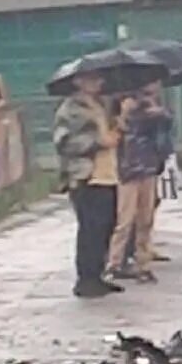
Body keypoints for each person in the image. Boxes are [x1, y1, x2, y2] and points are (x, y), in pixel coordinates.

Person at [53, 72, 123, 298]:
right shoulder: (70, 109)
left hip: (109, 172)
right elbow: (64, 143)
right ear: (78, 82)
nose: (99, 82)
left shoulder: (104, 104)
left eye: (99, 78)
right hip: (85, 175)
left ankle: (98, 274)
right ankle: (86, 278)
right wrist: (96, 143)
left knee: (107, 225)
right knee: (90, 228)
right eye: (93, 79)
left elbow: (112, 132)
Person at [107, 82, 171, 284]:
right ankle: (114, 262)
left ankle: (142, 262)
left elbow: (165, 120)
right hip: (127, 170)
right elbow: (117, 131)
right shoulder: (118, 105)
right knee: (124, 219)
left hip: (148, 167)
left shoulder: (148, 106)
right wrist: (125, 113)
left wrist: (152, 105)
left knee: (146, 217)